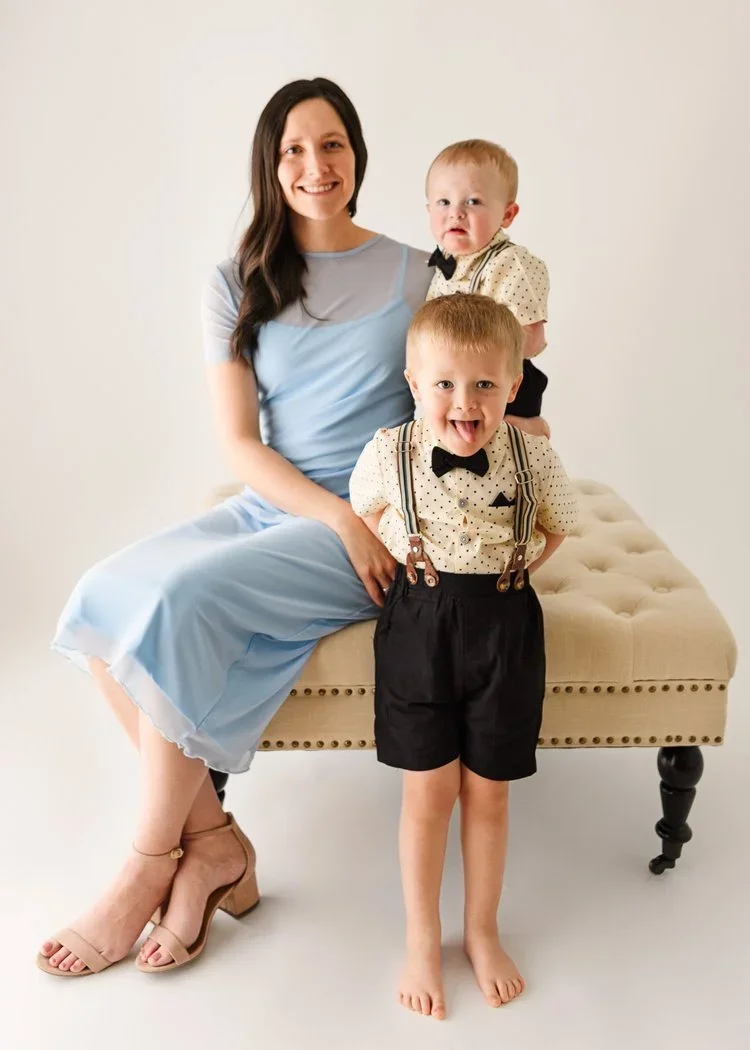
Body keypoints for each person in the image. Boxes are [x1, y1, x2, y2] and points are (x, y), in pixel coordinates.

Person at [37, 77, 431, 977]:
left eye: (331, 145)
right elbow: (239, 443)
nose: (314, 165)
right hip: (291, 505)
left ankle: (144, 867)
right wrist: (326, 510)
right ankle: (212, 842)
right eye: (293, 149)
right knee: (100, 599)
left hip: (375, 522)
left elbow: (474, 374)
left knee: (175, 603)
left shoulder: (415, 272)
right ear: (269, 163)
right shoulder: (236, 281)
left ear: (357, 157)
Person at [349, 294, 578, 1019]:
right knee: (428, 794)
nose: (464, 402)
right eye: (444, 383)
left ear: (514, 385)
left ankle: (481, 929)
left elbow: (559, 526)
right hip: (421, 624)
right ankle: (423, 937)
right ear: (414, 384)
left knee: (490, 792)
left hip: (504, 627)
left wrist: (516, 566)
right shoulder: (390, 451)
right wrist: (406, 555)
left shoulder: (533, 455)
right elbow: (367, 510)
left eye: (484, 385)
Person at [425, 139, 552, 438]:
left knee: (505, 448)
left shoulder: (511, 264)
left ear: (507, 215)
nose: (456, 212)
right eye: (444, 202)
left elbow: (531, 339)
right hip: (453, 383)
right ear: (428, 208)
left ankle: (531, 433)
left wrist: (479, 347)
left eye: (473, 201)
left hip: (500, 383)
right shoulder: (445, 264)